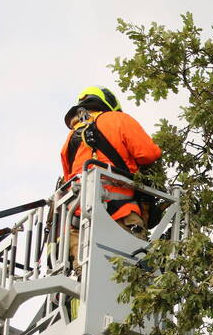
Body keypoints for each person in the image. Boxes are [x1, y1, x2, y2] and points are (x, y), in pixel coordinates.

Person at [60, 86, 161, 268]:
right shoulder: (118, 120)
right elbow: (149, 154)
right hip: (120, 215)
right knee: (131, 273)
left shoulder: (69, 138)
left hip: (78, 222)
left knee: (83, 274)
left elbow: (69, 178)